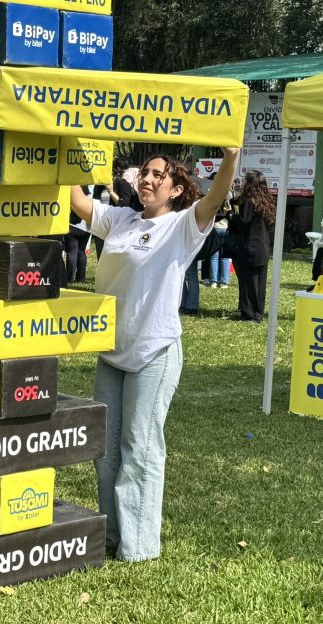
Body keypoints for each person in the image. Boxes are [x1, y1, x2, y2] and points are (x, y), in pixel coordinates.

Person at [69, 147, 241, 562]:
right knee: (106, 452)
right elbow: (76, 201)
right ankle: (111, 536)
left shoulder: (183, 225)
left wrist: (230, 159)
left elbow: (216, 196)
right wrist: (63, 149)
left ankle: (139, 547)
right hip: (112, 353)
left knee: (140, 448)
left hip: (153, 352)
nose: (146, 179)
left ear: (176, 189)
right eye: (144, 173)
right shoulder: (121, 219)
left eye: (157, 176)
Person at [229, 170, 276, 322]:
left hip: (249, 246)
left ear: (250, 184)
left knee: (248, 282)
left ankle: (248, 314)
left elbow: (244, 220)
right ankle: (258, 312)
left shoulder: (249, 201)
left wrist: (231, 216)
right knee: (260, 284)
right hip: (262, 247)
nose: (242, 183)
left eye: (245, 180)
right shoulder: (267, 201)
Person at [64, 186, 92, 285]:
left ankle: (69, 278)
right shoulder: (90, 193)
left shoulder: (73, 193)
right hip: (86, 227)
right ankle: (81, 278)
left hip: (72, 226)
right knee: (81, 252)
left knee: (72, 252)